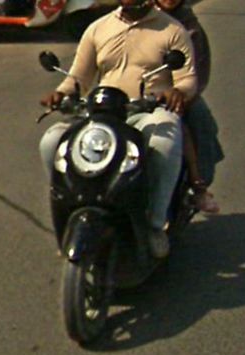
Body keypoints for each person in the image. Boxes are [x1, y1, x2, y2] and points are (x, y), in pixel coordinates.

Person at [39, 0, 197, 258]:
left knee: (164, 144)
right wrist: (61, 93)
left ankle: (155, 225)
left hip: (147, 110)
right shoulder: (98, 29)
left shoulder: (172, 30)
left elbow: (187, 79)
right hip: (103, 111)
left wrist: (177, 91)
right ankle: (69, 211)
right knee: (52, 141)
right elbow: (78, 78)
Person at [155, 0, 224, 214]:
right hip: (138, 91)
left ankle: (199, 186)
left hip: (179, 92)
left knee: (200, 123)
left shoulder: (190, 27)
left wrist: (184, 94)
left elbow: (198, 70)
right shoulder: (138, 21)